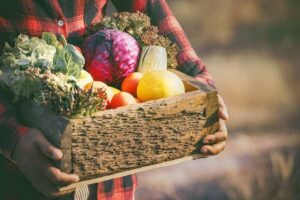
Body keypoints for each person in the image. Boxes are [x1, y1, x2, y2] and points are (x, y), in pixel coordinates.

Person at [0, 0, 229, 199]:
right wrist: (14, 139)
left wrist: (203, 89)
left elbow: (151, 8)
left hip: (109, 182)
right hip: (17, 171)